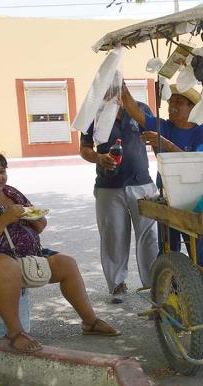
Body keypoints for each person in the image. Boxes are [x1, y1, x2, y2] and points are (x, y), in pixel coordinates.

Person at [0, 149, 119, 353]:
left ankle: (90, 322)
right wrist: (4, 219)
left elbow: (41, 224)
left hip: (23, 257)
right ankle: (15, 332)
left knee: (66, 264)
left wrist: (34, 217)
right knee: (5, 266)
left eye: (2, 171)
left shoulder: (12, 193)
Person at [120, 84, 203, 298]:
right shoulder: (164, 126)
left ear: (192, 108)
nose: (172, 105)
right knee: (168, 249)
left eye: (179, 102)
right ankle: (169, 293)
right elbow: (135, 111)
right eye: (171, 101)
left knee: (197, 251)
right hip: (167, 197)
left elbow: (194, 163)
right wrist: (122, 89)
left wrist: (165, 144)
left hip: (193, 201)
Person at [79, 95, 159, 304]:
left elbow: (155, 139)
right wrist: (98, 157)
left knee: (149, 237)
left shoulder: (141, 109)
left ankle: (153, 283)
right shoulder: (94, 112)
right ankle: (117, 284)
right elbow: (84, 148)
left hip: (141, 183)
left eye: (118, 86)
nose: (113, 92)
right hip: (108, 185)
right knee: (113, 235)